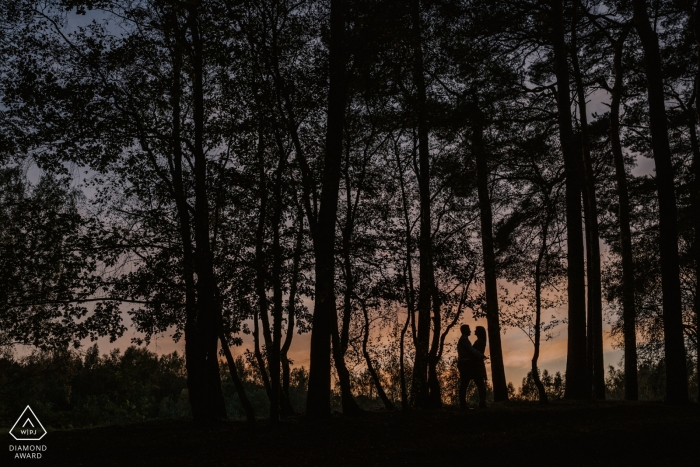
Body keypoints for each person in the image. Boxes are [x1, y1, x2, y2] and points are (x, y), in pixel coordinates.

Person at [457, 324, 487, 409]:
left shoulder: (471, 341)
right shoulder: (464, 340)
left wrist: (479, 355)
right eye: (469, 329)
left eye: (474, 330)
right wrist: (481, 355)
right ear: (464, 330)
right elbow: (471, 350)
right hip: (467, 364)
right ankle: (464, 405)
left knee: (468, 384)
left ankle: (467, 404)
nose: (471, 331)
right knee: (466, 384)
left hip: (471, 365)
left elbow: (472, 350)